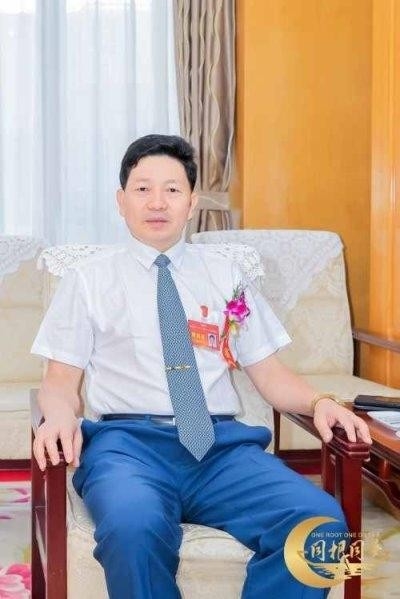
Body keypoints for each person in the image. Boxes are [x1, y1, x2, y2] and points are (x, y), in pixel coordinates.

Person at [31, 134, 372, 599]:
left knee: (323, 526)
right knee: (133, 527)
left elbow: (270, 373)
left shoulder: (226, 274)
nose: (157, 202)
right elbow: (59, 381)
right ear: (121, 201)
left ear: (191, 203)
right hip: (127, 448)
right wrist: (57, 416)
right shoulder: (89, 279)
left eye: (172, 190)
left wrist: (320, 402)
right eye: (142, 189)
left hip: (220, 449)